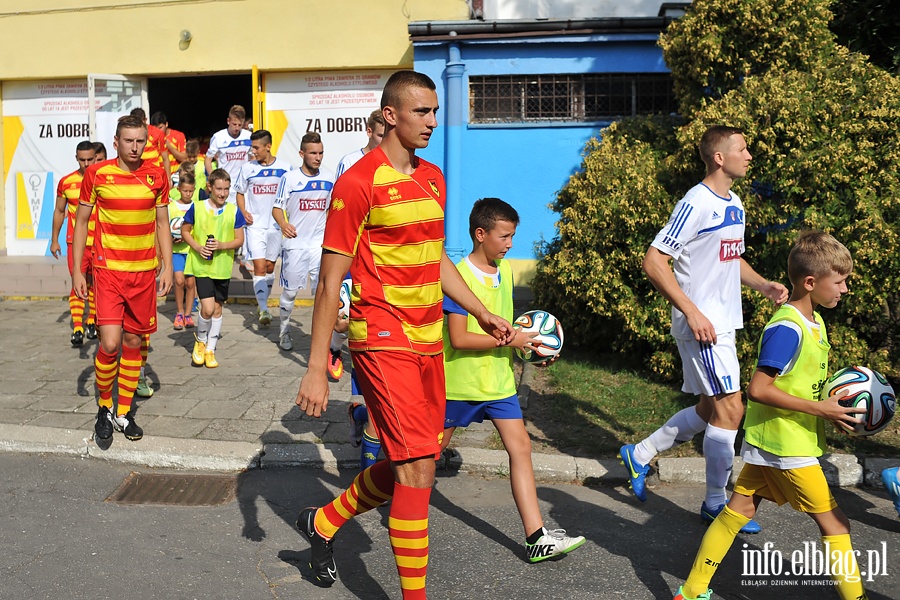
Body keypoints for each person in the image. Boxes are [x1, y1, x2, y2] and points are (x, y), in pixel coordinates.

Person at [293, 70, 513, 599]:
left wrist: (480, 310)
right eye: (422, 112)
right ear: (390, 115)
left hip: (427, 337)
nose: (433, 122)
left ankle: (322, 523)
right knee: (417, 469)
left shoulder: (433, 178)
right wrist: (316, 366)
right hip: (381, 337)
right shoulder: (357, 183)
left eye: (435, 112)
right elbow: (329, 281)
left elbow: (436, 257)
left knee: (417, 460)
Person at [673, 230, 866, 600]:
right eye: (840, 282)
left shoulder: (812, 321)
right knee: (836, 524)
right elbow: (758, 388)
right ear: (811, 283)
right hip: (788, 447)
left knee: (735, 513)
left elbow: (798, 380)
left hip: (773, 441)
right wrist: (820, 409)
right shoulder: (786, 327)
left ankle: (692, 591)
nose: (844, 289)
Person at [619, 126, 788, 534]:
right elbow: (655, 260)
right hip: (703, 326)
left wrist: (763, 284)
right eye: (743, 149)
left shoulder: (737, 204)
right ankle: (716, 503)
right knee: (732, 409)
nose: (749, 155)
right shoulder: (696, 202)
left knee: (710, 410)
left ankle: (640, 453)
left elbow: (732, 260)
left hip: (724, 323)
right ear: (718, 157)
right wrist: (693, 313)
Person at [442, 197, 585, 562]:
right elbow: (459, 339)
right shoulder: (458, 276)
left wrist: (532, 350)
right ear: (480, 234)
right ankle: (374, 490)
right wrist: (514, 340)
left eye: (512, 236)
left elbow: (511, 328)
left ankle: (535, 536)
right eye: (504, 236)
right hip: (459, 384)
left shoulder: (504, 271)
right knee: (426, 458)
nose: (509, 244)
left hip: (499, 383)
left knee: (521, 449)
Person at [72, 114, 172, 444]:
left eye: (140, 141)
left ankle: (124, 412)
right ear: (116, 142)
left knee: (133, 343)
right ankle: (104, 406)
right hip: (107, 272)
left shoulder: (157, 176)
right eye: (128, 141)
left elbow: (161, 223)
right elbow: (82, 222)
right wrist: (76, 271)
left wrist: (168, 267)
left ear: (148, 141)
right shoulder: (98, 174)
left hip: (143, 274)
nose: (134, 147)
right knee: (110, 343)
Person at [272, 132, 334, 352]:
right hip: (295, 245)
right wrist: (283, 224)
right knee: (290, 293)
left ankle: (319, 338)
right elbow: (277, 208)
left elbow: (332, 210)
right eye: (313, 153)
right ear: (302, 154)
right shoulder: (289, 179)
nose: (318, 157)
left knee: (323, 293)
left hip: (319, 246)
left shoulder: (329, 179)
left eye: (321, 153)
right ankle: (285, 331)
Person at [181, 169, 246, 368]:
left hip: (222, 268)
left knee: (218, 309)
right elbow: (185, 231)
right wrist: (198, 247)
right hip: (202, 266)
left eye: (226, 189)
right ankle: (201, 341)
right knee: (207, 308)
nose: (223, 193)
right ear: (209, 187)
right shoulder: (197, 207)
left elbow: (239, 240)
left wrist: (221, 245)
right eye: (219, 189)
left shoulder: (233, 210)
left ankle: (211, 348)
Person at [234, 129, 292, 326]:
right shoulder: (247, 169)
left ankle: (262, 302)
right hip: (255, 226)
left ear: (268, 146)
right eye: (252, 147)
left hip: (275, 227)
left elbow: (292, 195)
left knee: (269, 267)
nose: (253, 151)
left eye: (256, 147)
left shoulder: (286, 169)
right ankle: (265, 310)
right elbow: (240, 192)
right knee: (259, 266)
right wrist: (243, 211)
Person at [50, 140, 97, 346]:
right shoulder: (66, 182)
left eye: (90, 159)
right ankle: (77, 327)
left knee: (96, 283)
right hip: (75, 244)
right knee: (77, 282)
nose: (86, 164)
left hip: (100, 243)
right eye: (82, 160)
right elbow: (59, 211)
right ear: (76, 159)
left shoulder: (103, 180)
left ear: (95, 158)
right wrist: (54, 240)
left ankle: (92, 321)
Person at [169, 170, 198, 330]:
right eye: (185, 190)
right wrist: (172, 238)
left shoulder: (197, 206)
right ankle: (179, 312)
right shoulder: (171, 206)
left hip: (192, 251)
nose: (188, 193)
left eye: (191, 191)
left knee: (190, 282)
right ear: (179, 189)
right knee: (179, 281)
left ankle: (188, 315)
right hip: (177, 251)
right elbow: (165, 227)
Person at [205, 105, 251, 204]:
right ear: (228, 121)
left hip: (244, 185)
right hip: (226, 186)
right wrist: (213, 178)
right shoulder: (218, 137)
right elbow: (208, 159)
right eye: (234, 124)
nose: (237, 128)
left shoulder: (248, 136)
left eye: (240, 125)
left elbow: (253, 158)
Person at [335, 109, 385, 179]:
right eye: (381, 136)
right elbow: (339, 189)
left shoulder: (395, 163)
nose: (385, 140)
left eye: (387, 136)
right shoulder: (349, 161)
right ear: (369, 132)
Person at [130, 107, 171, 174]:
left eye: (140, 123)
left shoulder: (157, 133)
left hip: (153, 173)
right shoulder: (128, 134)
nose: (137, 126)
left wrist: (168, 178)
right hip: (135, 173)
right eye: (135, 123)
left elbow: (165, 158)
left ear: (145, 120)